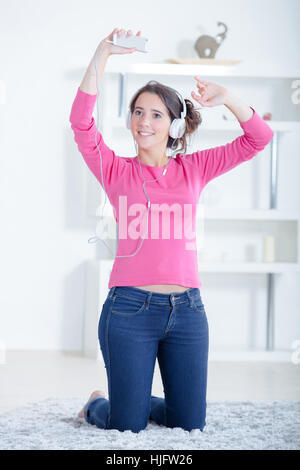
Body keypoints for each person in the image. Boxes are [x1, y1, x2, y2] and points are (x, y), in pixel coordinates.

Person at [70, 27, 274, 433]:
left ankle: (133, 394)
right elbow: (80, 122)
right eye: (138, 112)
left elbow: (259, 138)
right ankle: (99, 402)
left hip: (188, 314)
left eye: (156, 114)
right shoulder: (115, 170)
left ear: (175, 126)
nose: (143, 122)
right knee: (125, 426)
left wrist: (228, 98)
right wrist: (101, 55)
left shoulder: (194, 169)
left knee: (189, 425)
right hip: (128, 311)